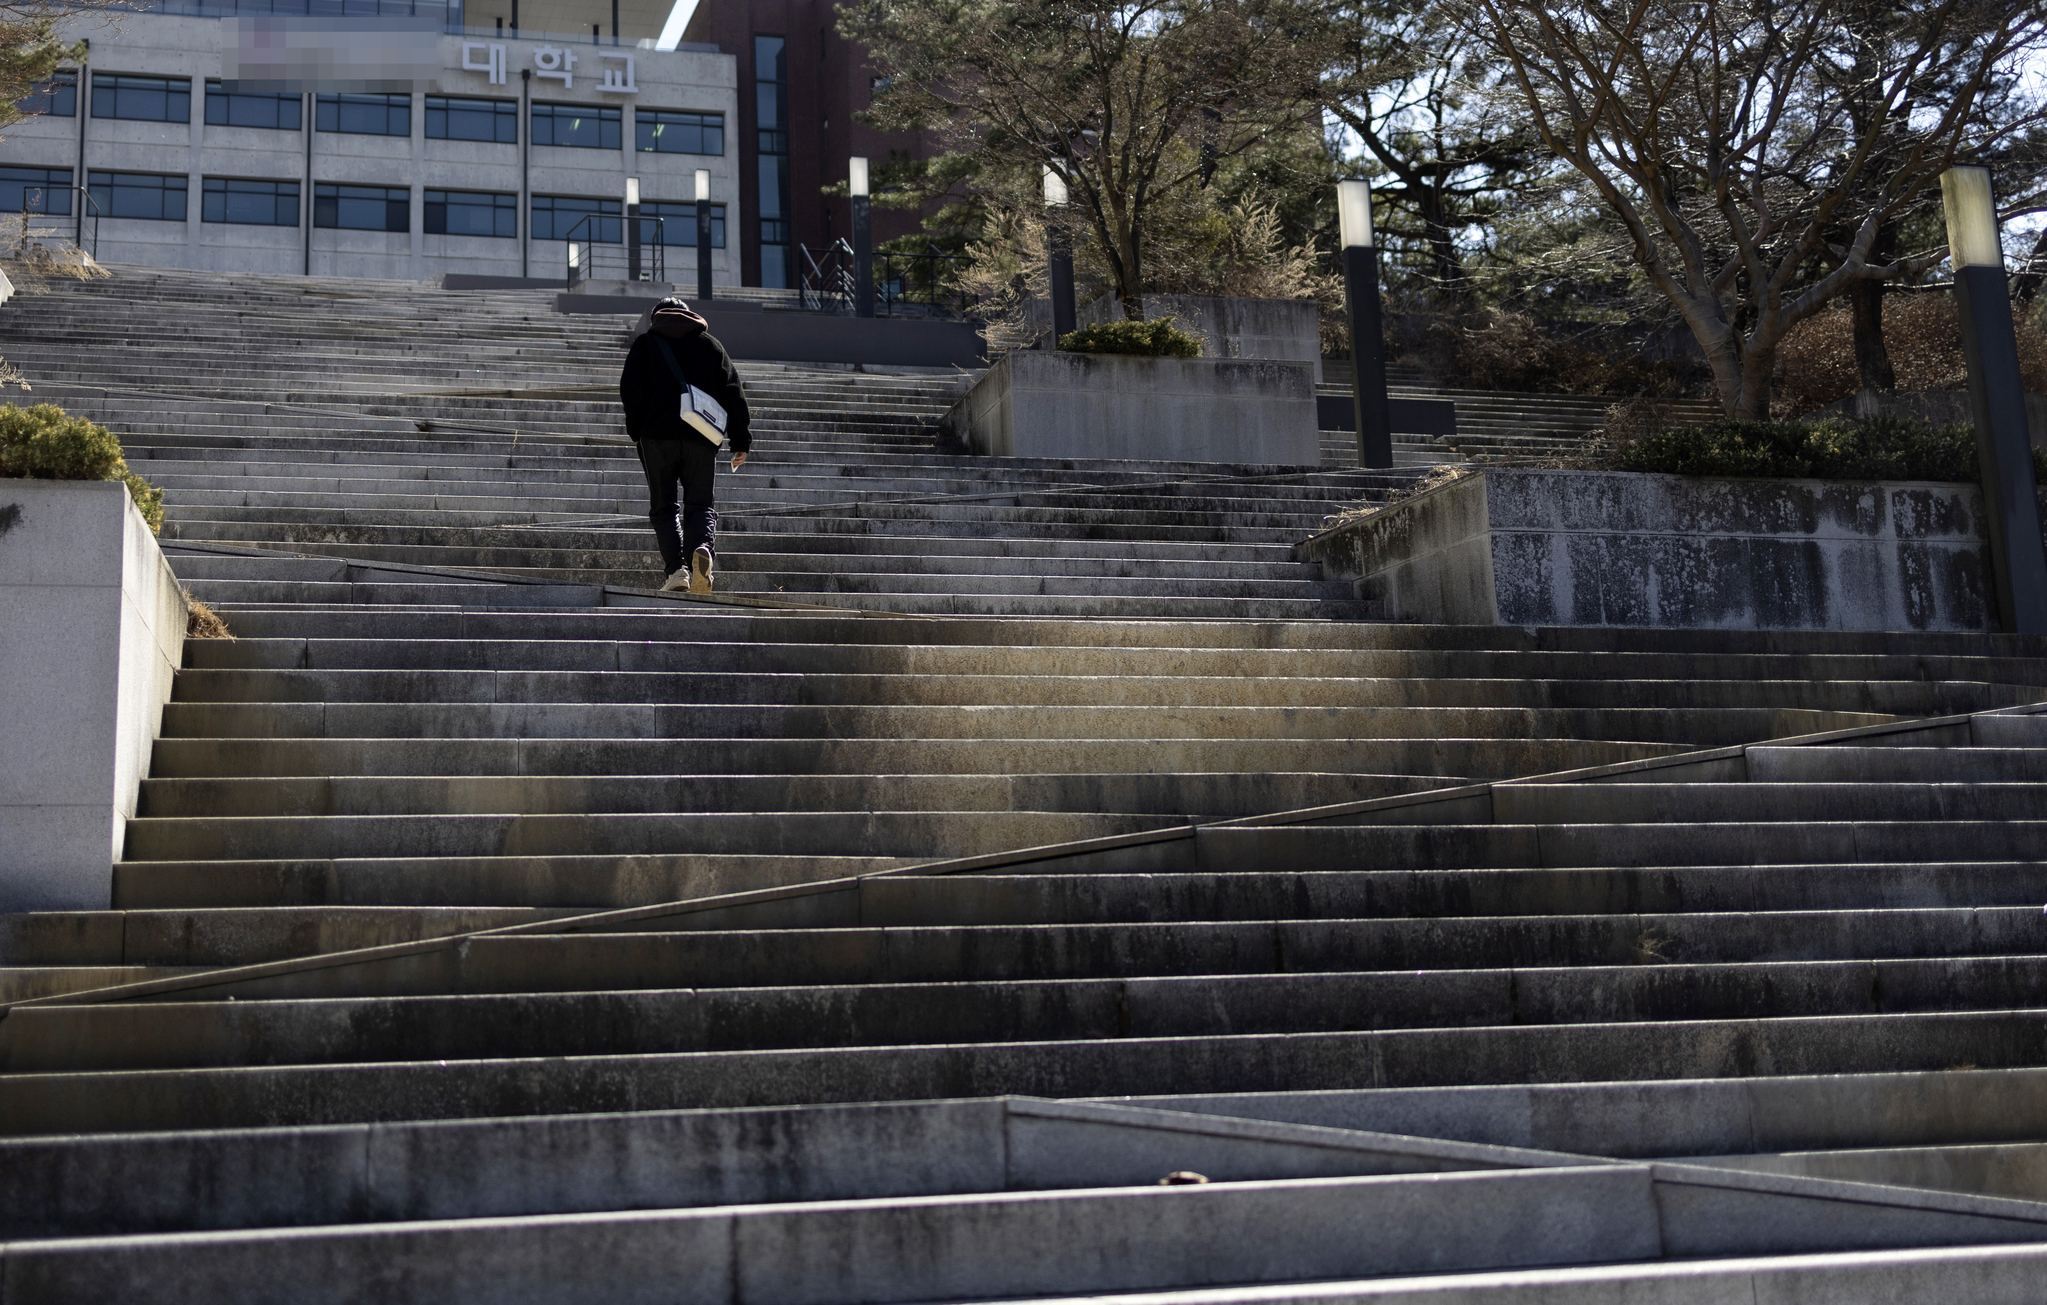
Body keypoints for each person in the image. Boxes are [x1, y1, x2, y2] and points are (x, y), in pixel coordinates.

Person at [618, 297, 752, 594]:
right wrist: (740, 440)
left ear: (656, 318)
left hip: (656, 438)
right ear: (688, 315)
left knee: (664, 506)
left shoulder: (645, 345)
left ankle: (677, 570)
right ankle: (702, 549)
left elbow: (631, 391)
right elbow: (733, 391)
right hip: (701, 438)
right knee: (700, 504)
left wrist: (637, 431)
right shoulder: (711, 345)